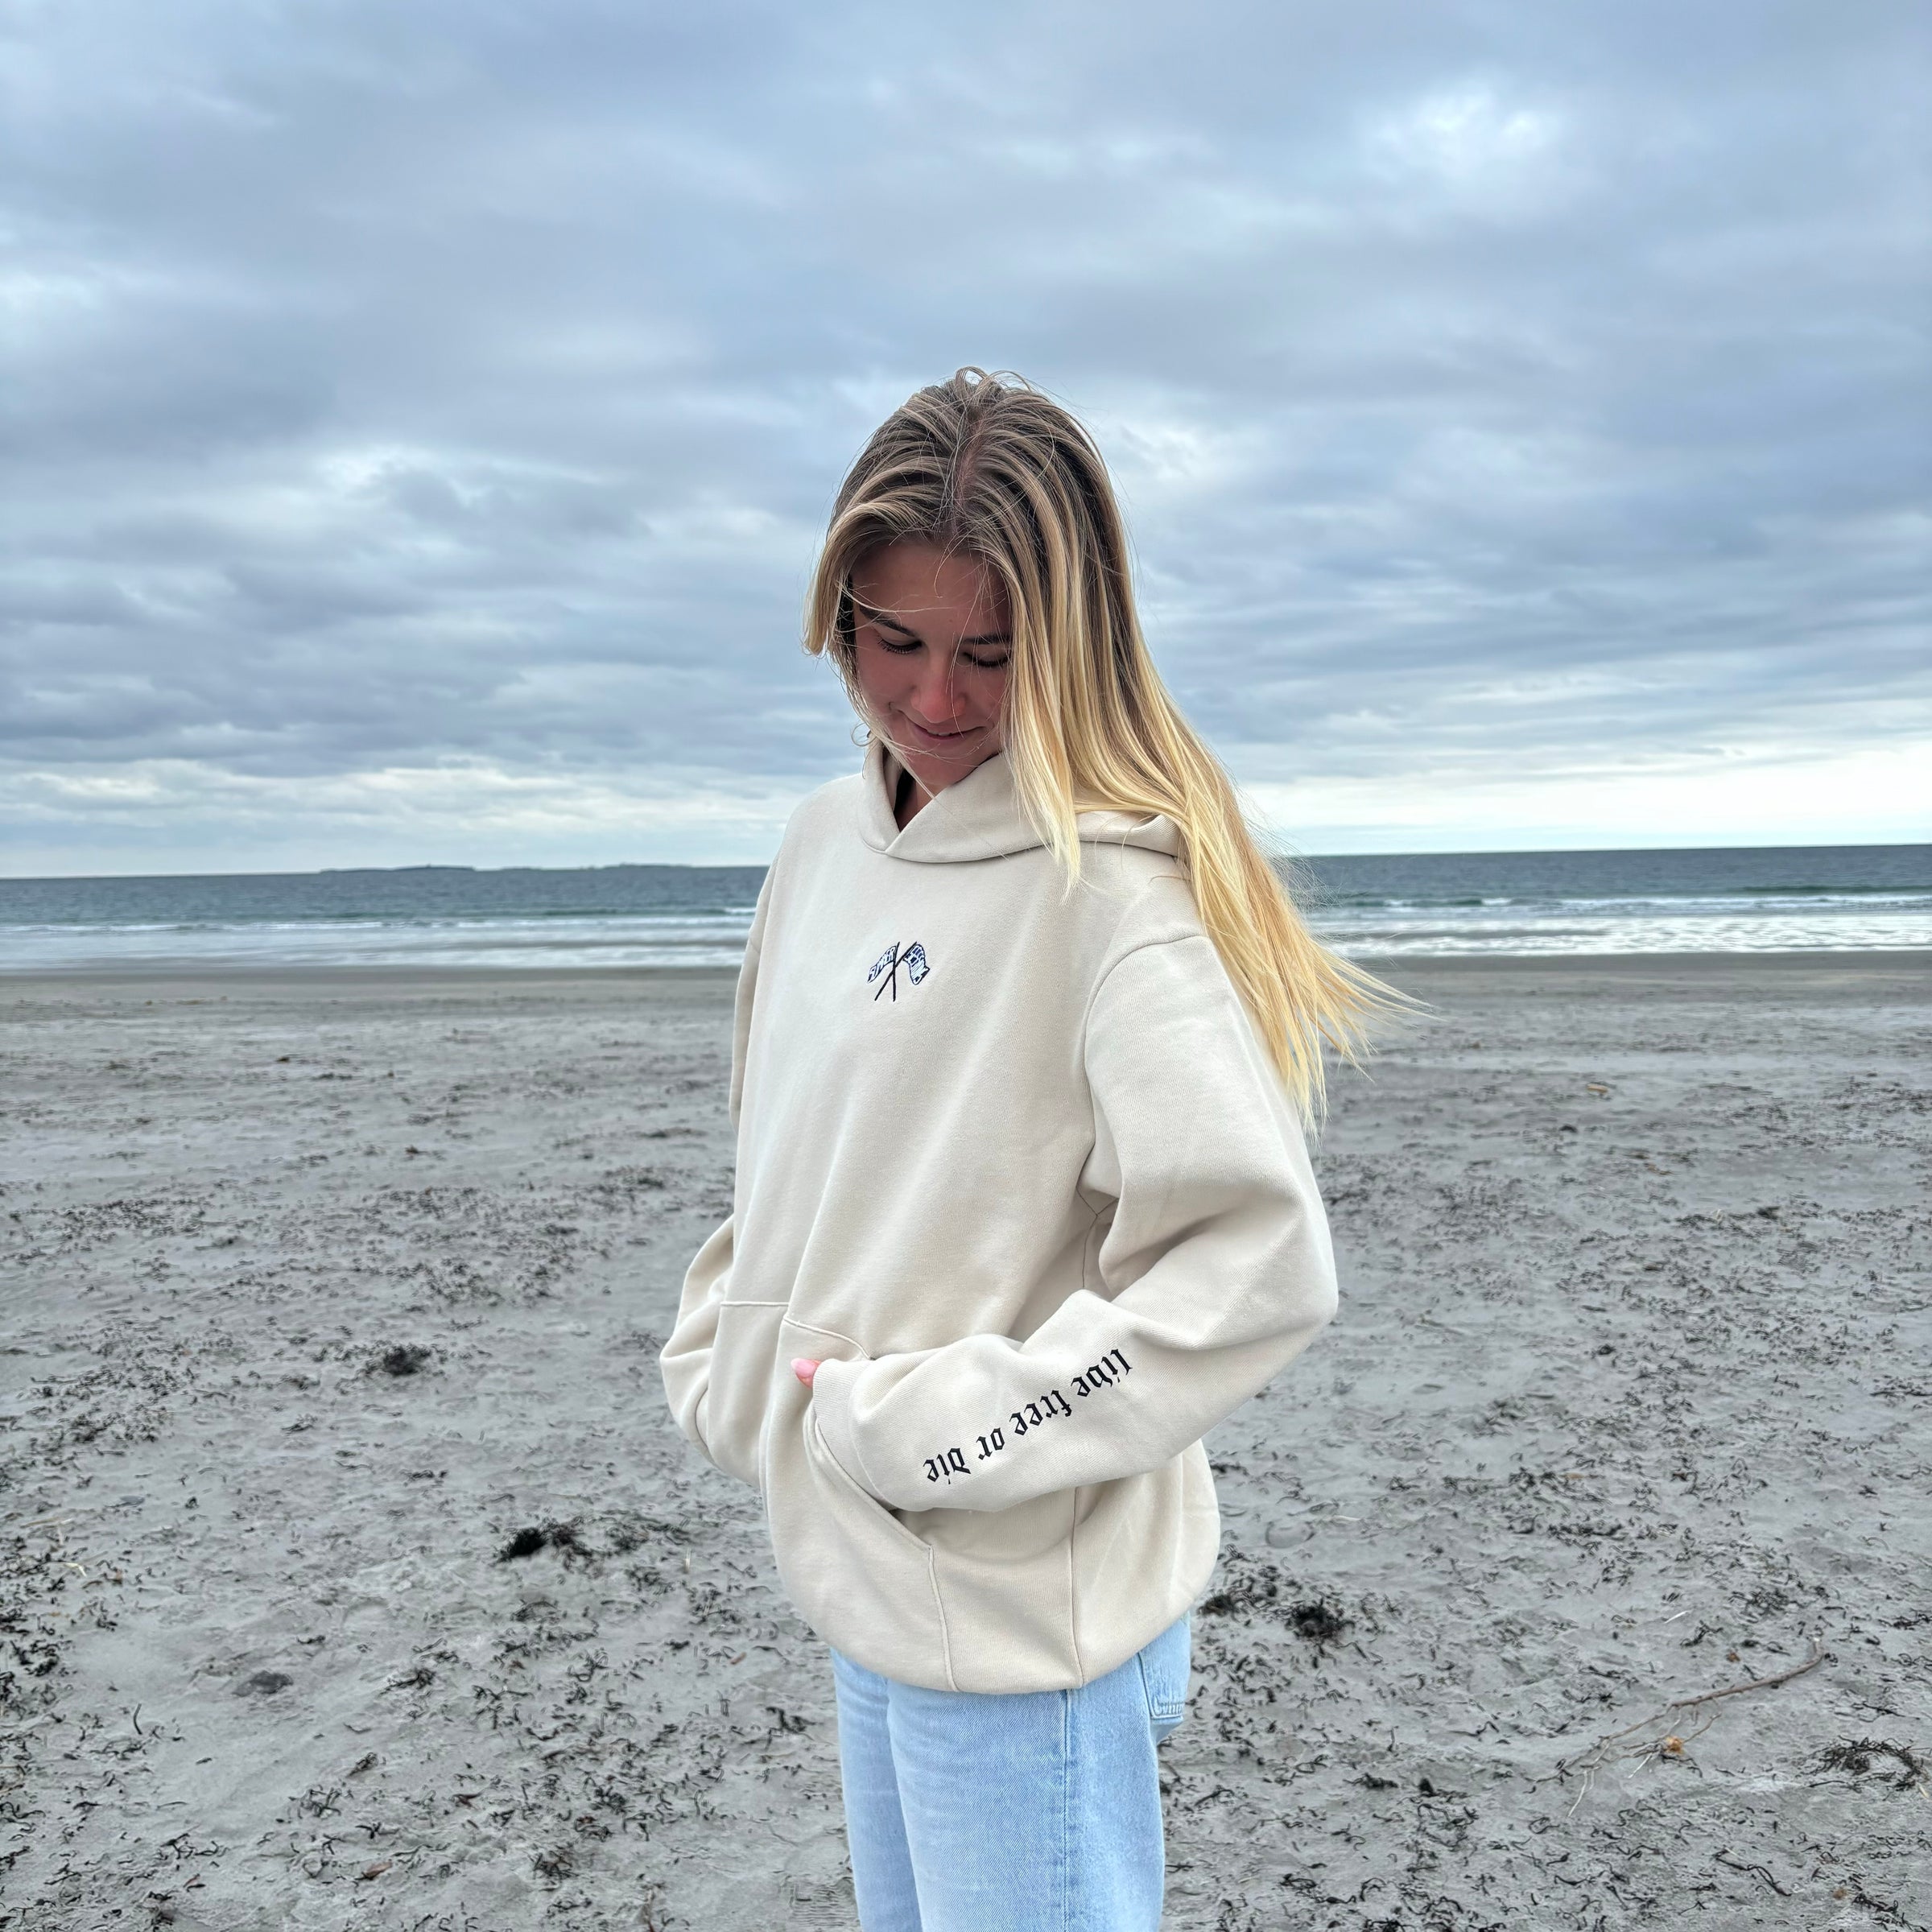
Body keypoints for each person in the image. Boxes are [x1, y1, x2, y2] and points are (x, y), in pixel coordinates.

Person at [659, 369, 1394, 1931]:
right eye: (893, 639)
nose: (935, 699)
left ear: (1071, 644)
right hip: (858, 1544)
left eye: (992, 655)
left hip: (1012, 1604)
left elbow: (1258, 1266)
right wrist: (732, 1348)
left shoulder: (1109, 895)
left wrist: (939, 1438)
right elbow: (789, 1143)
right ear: (836, 615)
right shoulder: (822, 840)